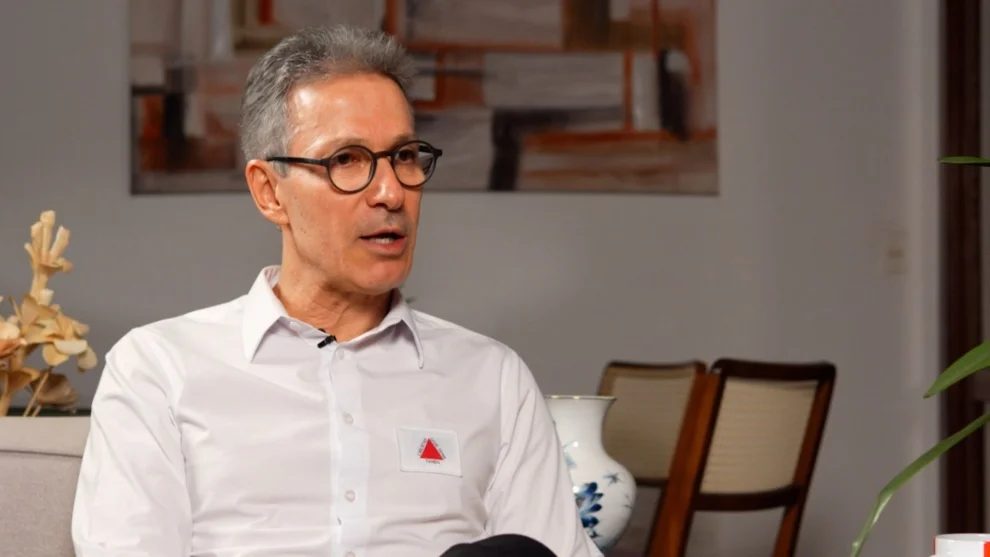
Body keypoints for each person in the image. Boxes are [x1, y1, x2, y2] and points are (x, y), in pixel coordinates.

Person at [72, 25, 601, 557]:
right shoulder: (158, 371)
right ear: (269, 192)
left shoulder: (492, 379)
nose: (390, 192)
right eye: (346, 159)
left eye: (404, 156)